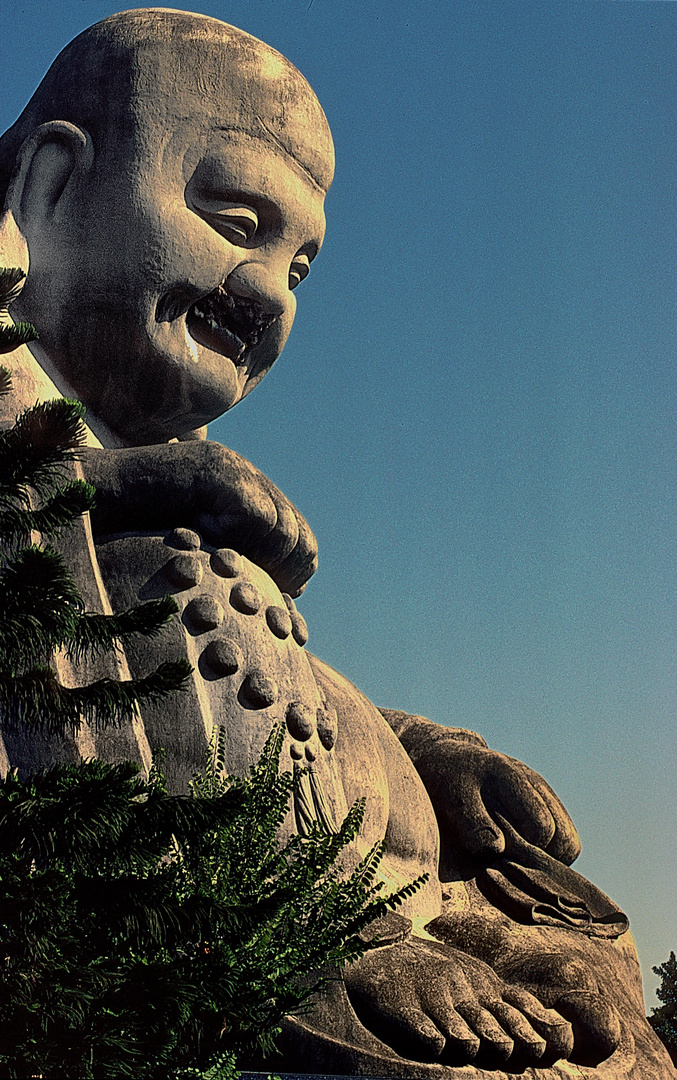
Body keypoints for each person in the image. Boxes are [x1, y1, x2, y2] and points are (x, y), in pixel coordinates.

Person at [0, 10, 669, 1077]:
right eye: (230, 219)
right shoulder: (74, 455)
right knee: (173, 584)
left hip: (344, 836)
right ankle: (327, 942)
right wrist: (115, 486)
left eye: (298, 266)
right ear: (49, 187)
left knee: (582, 958)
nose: (264, 289)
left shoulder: (176, 489)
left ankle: (436, 927)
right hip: (207, 857)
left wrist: (434, 753)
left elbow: (287, 684)